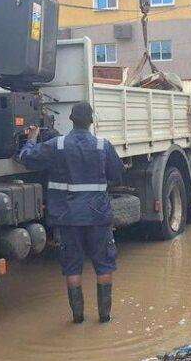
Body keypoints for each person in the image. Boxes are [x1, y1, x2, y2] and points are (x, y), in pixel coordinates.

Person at [19, 102, 124, 323]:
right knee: (104, 264)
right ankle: (105, 318)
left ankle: (78, 319)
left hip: (68, 217)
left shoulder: (56, 145)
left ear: (71, 120)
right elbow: (117, 174)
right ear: (91, 121)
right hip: (98, 215)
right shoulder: (103, 146)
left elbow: (27, 158)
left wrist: (31, 138)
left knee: (72, 267)